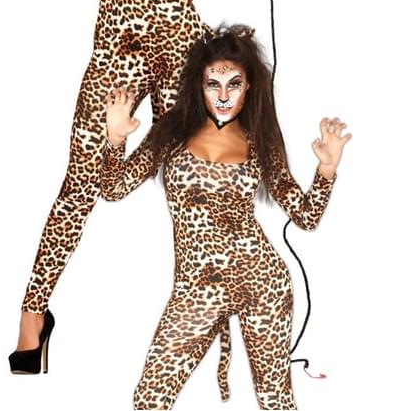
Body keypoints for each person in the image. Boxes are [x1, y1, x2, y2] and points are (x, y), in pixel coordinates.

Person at [9, 0, 217, 372]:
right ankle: (32, 318)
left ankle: (204, 317)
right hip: (117, 57)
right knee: (83, 182)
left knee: (195, 182)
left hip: (180, 48)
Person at [100, 24, 351, 410]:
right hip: (196, 289)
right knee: (150, 398)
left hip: (262, 282)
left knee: (275, 400)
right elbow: (113, 189)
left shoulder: (261, 141)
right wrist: (116, 138)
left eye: (233, 85)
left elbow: (306, 217)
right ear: (198, 87)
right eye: (212, 84)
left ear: (248, 87)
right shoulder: (171, 134)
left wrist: (327, 170)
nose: (222, 96)